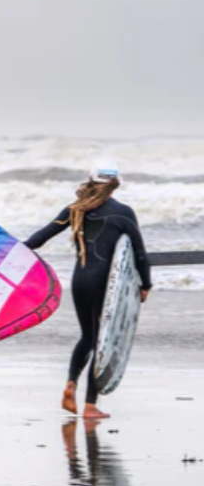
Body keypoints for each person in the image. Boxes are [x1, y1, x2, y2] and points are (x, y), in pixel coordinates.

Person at [25, 163, 151, 419]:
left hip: (80, 280)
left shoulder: (75, 210)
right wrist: (145, 284)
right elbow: (139, 253)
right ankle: (90, 406)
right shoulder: (124, 213)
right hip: (106, 283)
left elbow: (40, 238)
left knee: (88, 337)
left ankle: (71, 383)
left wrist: (13, 250)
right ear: (115, 185)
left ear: (91, 181)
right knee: (102, 340)